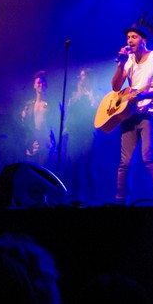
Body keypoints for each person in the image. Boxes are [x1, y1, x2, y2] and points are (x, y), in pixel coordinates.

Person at [111, 24, 153, 203]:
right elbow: (115, 87)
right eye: (128, 37)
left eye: (134, 37)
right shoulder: (128, 60)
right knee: (125, 162)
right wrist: (121, 64)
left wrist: (145, 95)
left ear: (143, 40)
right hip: (129, 113)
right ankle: (121, 200)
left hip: (149, 114)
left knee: (149, 157)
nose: (130, 40)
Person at [63, 67, 98, 203]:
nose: (81, 78)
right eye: (80, 76)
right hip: (74, 133)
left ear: (89, 78)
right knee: (74, 165)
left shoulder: (95, 93)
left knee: (88, 164)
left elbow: (96, 108)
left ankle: (94, 197)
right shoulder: (74, 95)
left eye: (83, 76)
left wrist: (91, 94)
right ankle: (76, 196)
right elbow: (68, 113)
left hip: (88, 132)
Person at [22, 70, 56, 169]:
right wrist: (23, 117)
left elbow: (57, 124)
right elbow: (25, 125)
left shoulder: (52, 104)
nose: (41, 85)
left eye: (44, 83)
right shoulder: (29, 104)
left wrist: (52, 143)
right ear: (34, 85)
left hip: (46, 144)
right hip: (33, 144)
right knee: (31, 171)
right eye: (39, 82)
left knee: (44, 171)